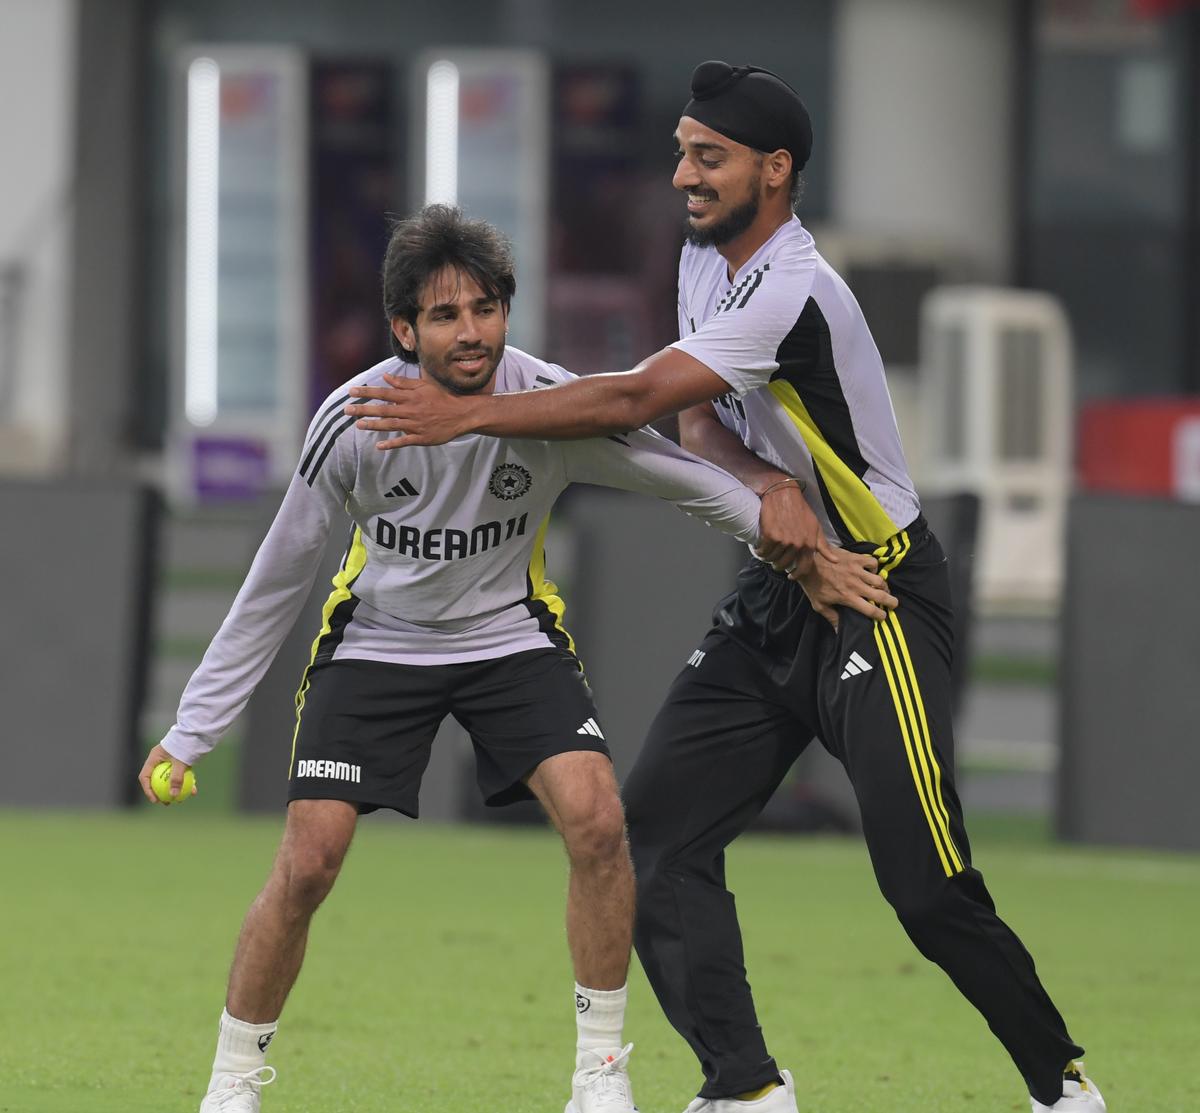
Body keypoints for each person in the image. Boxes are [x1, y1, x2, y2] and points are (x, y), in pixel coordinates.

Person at [343, 62, 1106, 1113]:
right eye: (681, 152)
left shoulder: (791, 288)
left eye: (709, 157)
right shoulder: (706, 262)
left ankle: (1063, 1087)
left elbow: (639, 395)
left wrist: (464, 414)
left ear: (776, 171)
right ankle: (743, 1089)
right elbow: (698, 422)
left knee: (924, 890)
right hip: (779, 586)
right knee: (650, 841)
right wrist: (765, 494)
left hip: (874, 594)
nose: (683, 175)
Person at [139, 204, 888, 1113]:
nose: (471, 332)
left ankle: (600, 1078)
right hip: (379, 645)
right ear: (403, 330)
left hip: (509, 641)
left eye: (487, 308)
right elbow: (277, 580)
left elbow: (677, 474)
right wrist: (192, 729)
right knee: (308, 864)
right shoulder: (354, 420)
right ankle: (232, 1083)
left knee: (599, 821)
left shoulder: (546, 403)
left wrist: (795, 544)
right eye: (446, 315)